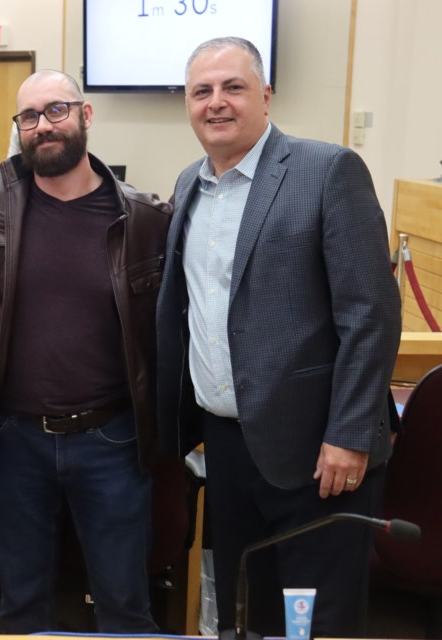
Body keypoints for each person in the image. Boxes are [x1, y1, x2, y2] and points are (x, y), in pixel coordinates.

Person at [156, 37, 402, 638]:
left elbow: (370, 313)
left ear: (265, 96)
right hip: (230, 449)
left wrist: (349, 433)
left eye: (233, 88)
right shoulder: (190, 184)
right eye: (201, 92)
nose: (217, 103)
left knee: (319, 621)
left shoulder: (327, 170)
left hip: (320, 453)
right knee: (250, 610)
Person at [0, 69, 172, 633]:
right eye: (28, 117)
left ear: (86, 115)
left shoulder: (144, 216)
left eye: (56, 110)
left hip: (112, 440)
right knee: (20, 606)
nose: (42, 126)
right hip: (13, 439)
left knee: (124, 605)